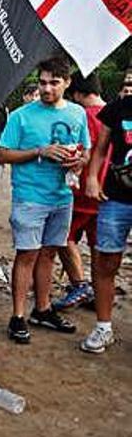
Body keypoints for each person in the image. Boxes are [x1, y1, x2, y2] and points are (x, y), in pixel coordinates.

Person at [0, 57, 90, 344]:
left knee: (49, 253)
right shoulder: (21, 116)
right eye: (43, 82)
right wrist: (40, 151)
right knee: (27, 254)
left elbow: (85, 150)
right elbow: (2, 154)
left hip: (62, 196)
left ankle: (43, 308)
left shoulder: (78, 113)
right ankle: (18, 316)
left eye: (54, 82)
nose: (47, 88)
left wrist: (78, 162)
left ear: (67, 83)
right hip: (30, 196)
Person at [79, 85, 132, 353]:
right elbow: (101, 148)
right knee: (105, 261)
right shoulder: (119, 107)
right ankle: (103, 327)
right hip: (116, 198)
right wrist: (91, 177)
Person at [53, 72, 107, 310]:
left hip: (81, 192)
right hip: (108, 194)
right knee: (98, 245)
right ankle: (98, 291)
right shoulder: (115, 114)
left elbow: (75, 152)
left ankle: (79, 285)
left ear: (77, 93)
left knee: (62, 236)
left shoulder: (81, 116)